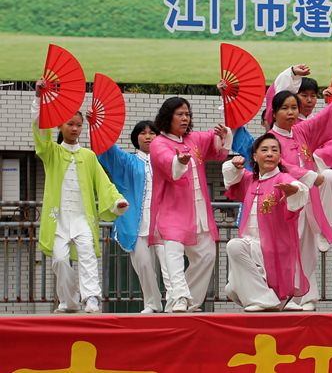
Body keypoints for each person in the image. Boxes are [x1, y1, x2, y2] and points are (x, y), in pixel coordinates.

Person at [32, 79, 128, 313]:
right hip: (58, 219)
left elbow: (103, 182)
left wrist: (116, 200)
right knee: (59, 260)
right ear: (60, 126)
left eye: (78, 125)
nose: (74, 129)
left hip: (82, 217)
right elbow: (40, 131)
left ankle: (91, 297)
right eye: (70, 124)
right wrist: (38, 99)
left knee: (87, 254)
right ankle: (69, 300)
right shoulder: (52, 152)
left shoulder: (88, 156)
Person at [257, 86, 332, 311]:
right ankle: (294, 296)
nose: (291, 112)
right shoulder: (269, 140)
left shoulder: (302, 131)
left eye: (294, 107)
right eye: (285, 108)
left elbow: (323, 119)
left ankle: (323, 228)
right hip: (287, 201)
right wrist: (309, 176)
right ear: (274, 113)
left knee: (331, 177)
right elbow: (280, 165)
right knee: (294, 250)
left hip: (310, 198)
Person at [149, 96, 232, 313]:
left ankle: (187, 301)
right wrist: (179, 161)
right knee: (174, 255)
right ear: (168, 116)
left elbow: (215, 143)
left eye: (187, 114)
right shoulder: (159, 143)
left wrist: (224, 133)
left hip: (198, 211)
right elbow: (169, 166)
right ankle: (179, 297)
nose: (185, 118)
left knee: (207, 256)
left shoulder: (193, 139)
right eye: (180, 114)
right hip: (172, 210)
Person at [222, 133, 310, 311]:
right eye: (264, 150)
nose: (270, 154)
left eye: (274, 150)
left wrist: (293, 191)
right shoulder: (250, 180)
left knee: (234, 248)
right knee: (231, 290)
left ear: (280, 156)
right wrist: (233, 164)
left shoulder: (282, 179)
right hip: (251, 245)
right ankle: (268, 299)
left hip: (273, 249)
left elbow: (299, 188)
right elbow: (231, 177)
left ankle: (268, 299)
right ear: (255, 156)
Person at [96, 119, 173, 313]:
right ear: (135, 138)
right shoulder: (127, 161)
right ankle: (152, 303)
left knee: (169, 264)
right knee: (144, 265)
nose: (148, 137)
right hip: (135, 223)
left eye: (152, 133)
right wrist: (97, 124)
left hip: (163, 222)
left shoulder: (164, 161)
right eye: (143, 133)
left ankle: (174, 302)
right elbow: (108, 149)